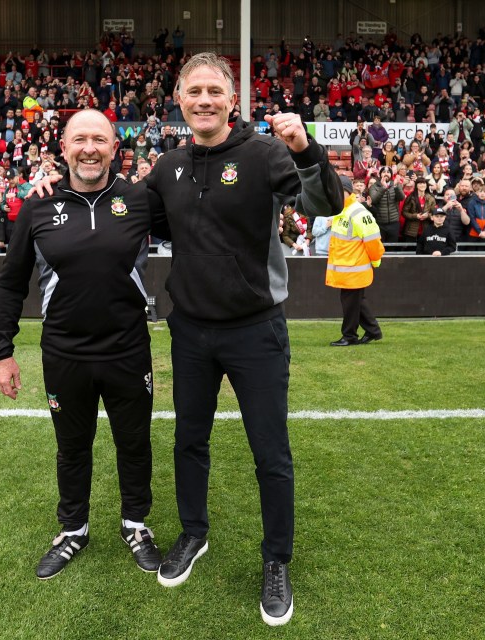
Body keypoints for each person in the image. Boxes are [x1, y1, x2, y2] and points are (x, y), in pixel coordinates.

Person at [143, 52, 342, 627]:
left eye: (214, 91)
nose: (203, 100)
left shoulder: (264, 153)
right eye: (193, 90)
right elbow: (136, 219)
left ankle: (276, 559)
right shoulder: (168, 166)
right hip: (191, 330)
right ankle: (193, 533)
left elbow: (326, 203)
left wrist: (304, 147)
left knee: (271, 453)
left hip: (256, 330)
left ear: (232, 100)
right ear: (178, 100)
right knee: (189, 441)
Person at [0, 109, 162, 581]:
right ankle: (73, 530)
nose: (90, 148)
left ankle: (135, 524)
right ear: (63, 149)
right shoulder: (38, 206)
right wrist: (1, 351)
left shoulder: (140, 200)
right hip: (64, 354)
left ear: (114, 148)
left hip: (128, 352)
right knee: (71, 447)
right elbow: (11, 284)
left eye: (99, 140)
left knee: (134, 443)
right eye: (80, 139)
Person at [327, 175, 385, 345]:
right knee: (356, 302)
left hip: (354, 268)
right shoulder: (342, 210)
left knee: (350, 304)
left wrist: (375, 261)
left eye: (338, 190)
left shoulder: (357, 212)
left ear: (347, 191)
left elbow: (373, 241)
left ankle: (349, 336)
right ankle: (373, 331)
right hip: (348, 269)